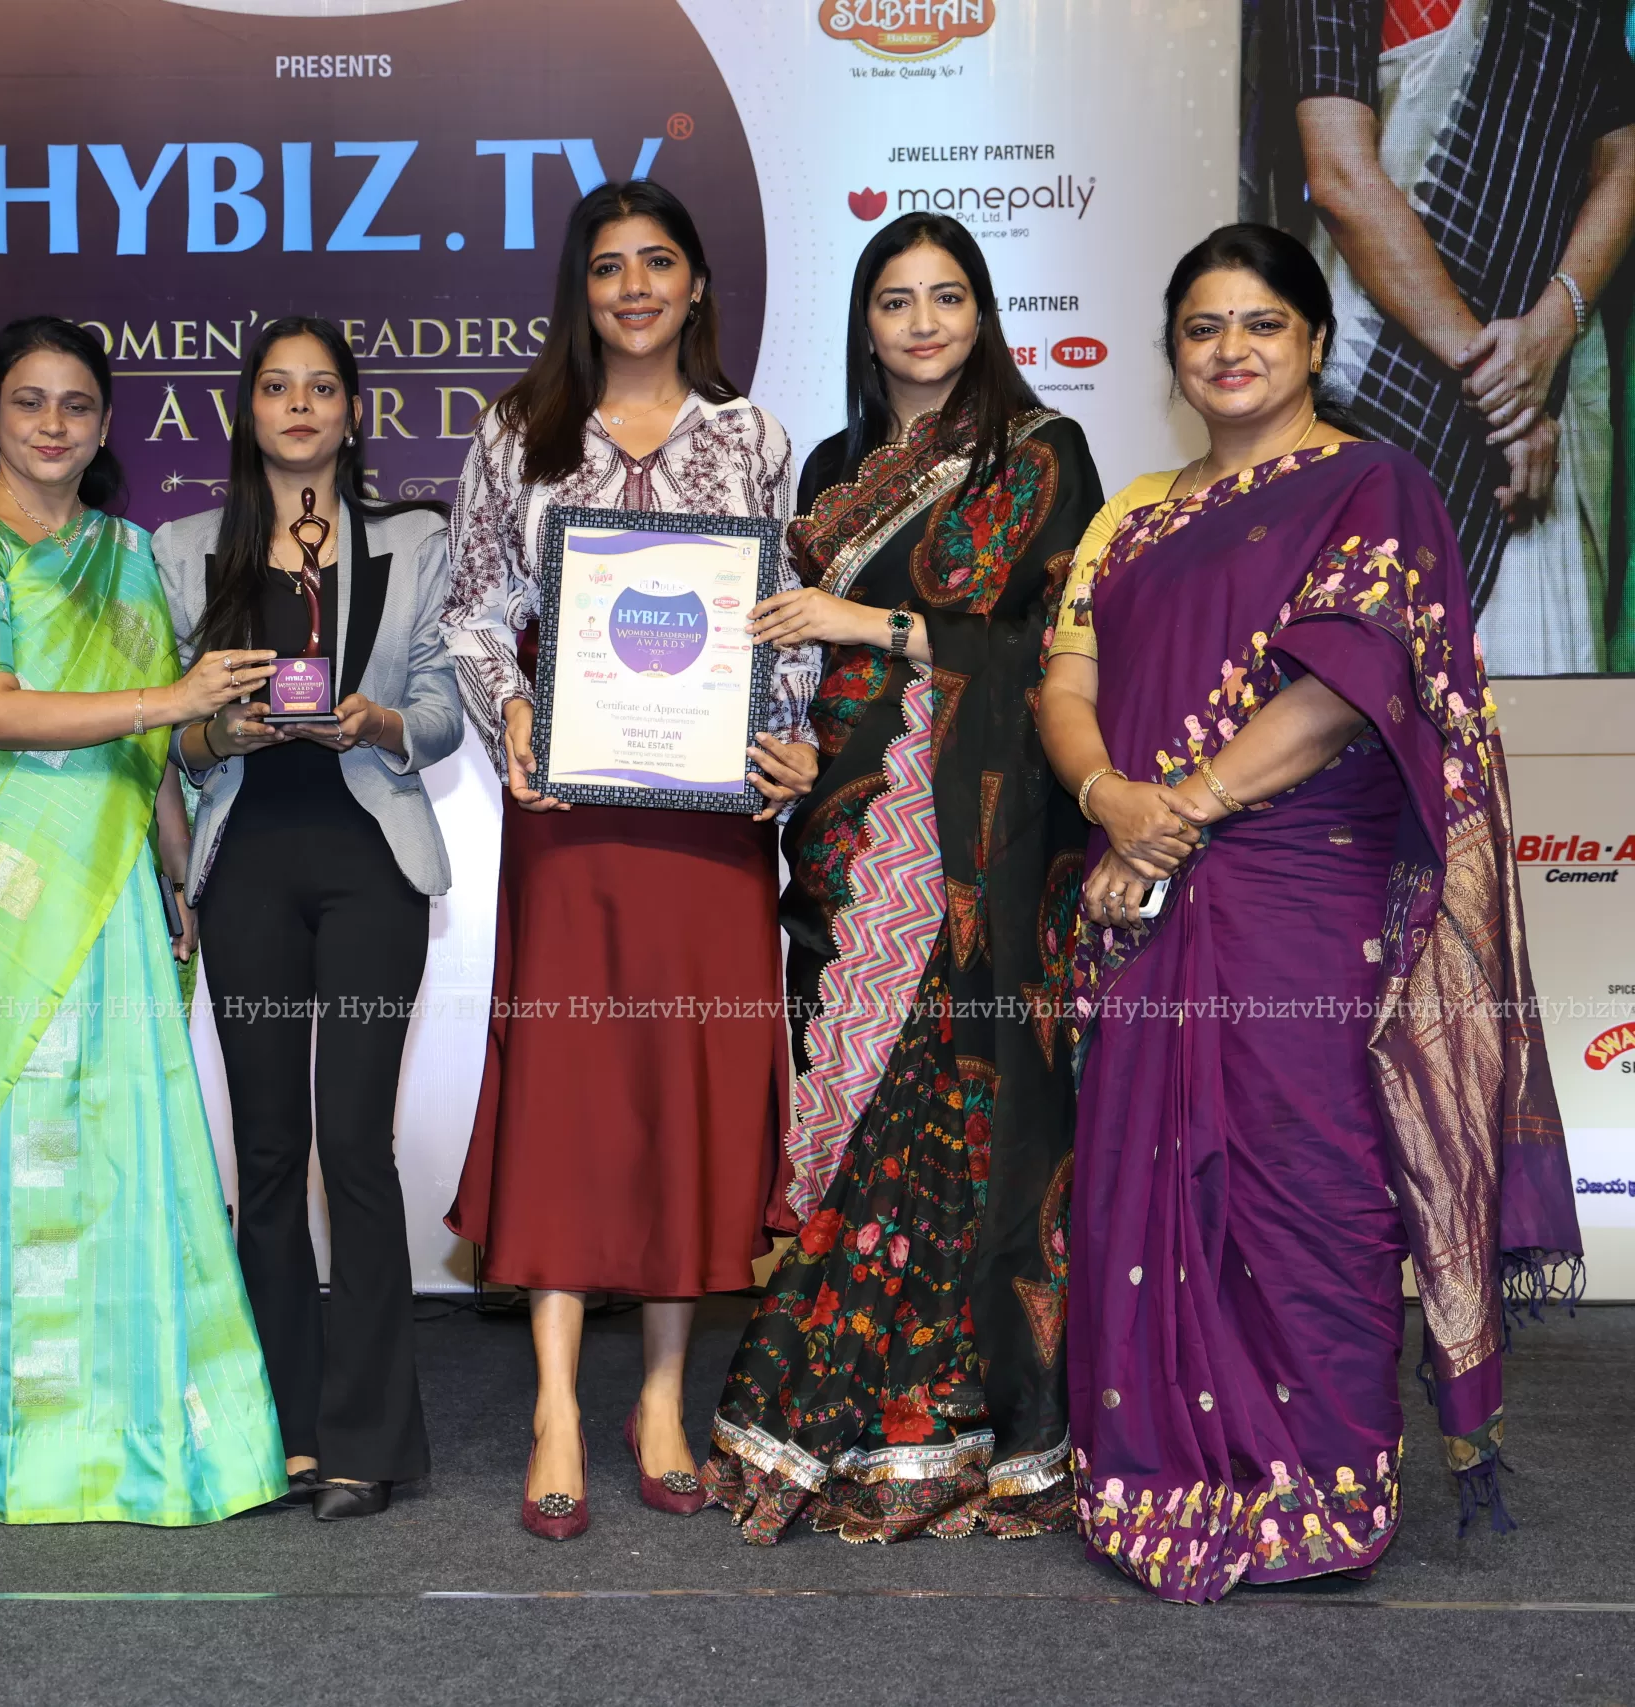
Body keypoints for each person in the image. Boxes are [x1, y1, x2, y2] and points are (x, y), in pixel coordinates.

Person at [1040, 224, 1579, 1603]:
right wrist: (1108, 795)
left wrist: (1179, 805)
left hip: (1299, 888)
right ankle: (1152, 1470)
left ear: (1317, 342)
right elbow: (1068, 681)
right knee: (1143, 1174)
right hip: (1148, 888)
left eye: (1262, 323)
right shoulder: (1134, 516)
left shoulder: (1370, 484)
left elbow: (1346, 682)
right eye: (1203, 327)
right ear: (1172, 354)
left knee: (1311, 1176)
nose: (1231, 349)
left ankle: (1321, 1479)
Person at [698, 213, 1101, 1545]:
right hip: (840, 825)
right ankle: (854, 1409)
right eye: (894, 300)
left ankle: (952, 1424)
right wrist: (783, 745)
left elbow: (1049, 646)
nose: (922, 323)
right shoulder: (835, 467)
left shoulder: (1041, 455)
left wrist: (860, 618)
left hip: (967, 839)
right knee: (848, 1109)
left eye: (946, 297)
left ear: (982, 312)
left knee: (947, 1118)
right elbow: (796, 656)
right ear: (864, 324)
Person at [440, 180, 822, 1541]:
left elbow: (783, 618)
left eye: (659, 261)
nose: (636, 287)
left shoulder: (755, 436)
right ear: (581, 290)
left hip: (709, 821)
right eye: (609, 267)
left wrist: (787, 738)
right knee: (569, 1091)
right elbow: (472, 612)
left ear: (698, 282)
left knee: (685, 1087)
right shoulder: (517, 432)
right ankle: (555, 1402)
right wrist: (515, 711)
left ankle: (660, 1397)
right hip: (574, 812)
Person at [0, 315, 287, 1526]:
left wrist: (179, 866)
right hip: (4, 889)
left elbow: (151, 748)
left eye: (76, 404)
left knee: (130, 1149)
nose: (52, 425)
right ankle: (21, 1453)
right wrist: (173, 697)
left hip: (117, 881)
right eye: (29, 401)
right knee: (17, 1150)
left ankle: (148, 1441)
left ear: (104, 421)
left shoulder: (125, 551)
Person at [154, 317, 463, 1522]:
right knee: (270, 1151)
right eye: (276, 387)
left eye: (320, 387)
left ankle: (368, 1440)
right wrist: (217, 731)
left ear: (351, 411)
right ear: (249, 410)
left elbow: (439, 709)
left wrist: (376, 723)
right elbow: (169, 741)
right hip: (247, 865)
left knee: (356, 1148)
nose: (298, 406)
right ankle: (276, 1429)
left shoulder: (413, 539)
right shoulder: (185, 550)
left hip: (370, 860)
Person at [1287, 0, 1635, 673]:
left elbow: (1623, 157)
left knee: (1542, 686)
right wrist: (1502, 386)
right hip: (1386, 361)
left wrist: (1550, 330)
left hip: (1549, 374)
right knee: (1366, 678)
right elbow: (1338, 176)